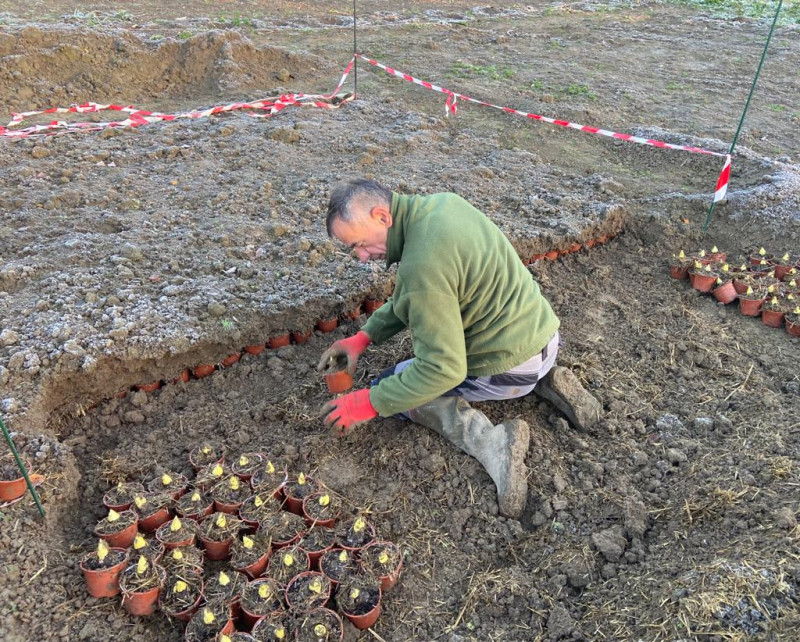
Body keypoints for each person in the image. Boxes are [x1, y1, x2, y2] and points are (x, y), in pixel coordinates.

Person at [319, 178, 602, 518]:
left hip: (510, 365)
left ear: (382, 216)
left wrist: (369, 402)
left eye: (360, 245)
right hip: (542, 337)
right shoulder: (441, 206)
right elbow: (413, 296)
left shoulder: (422, 265)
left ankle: (492, 443)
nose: (363, 257)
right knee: (420, 369)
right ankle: (547, 380)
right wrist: (362, 338)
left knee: (394, 386)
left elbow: (442, 370)